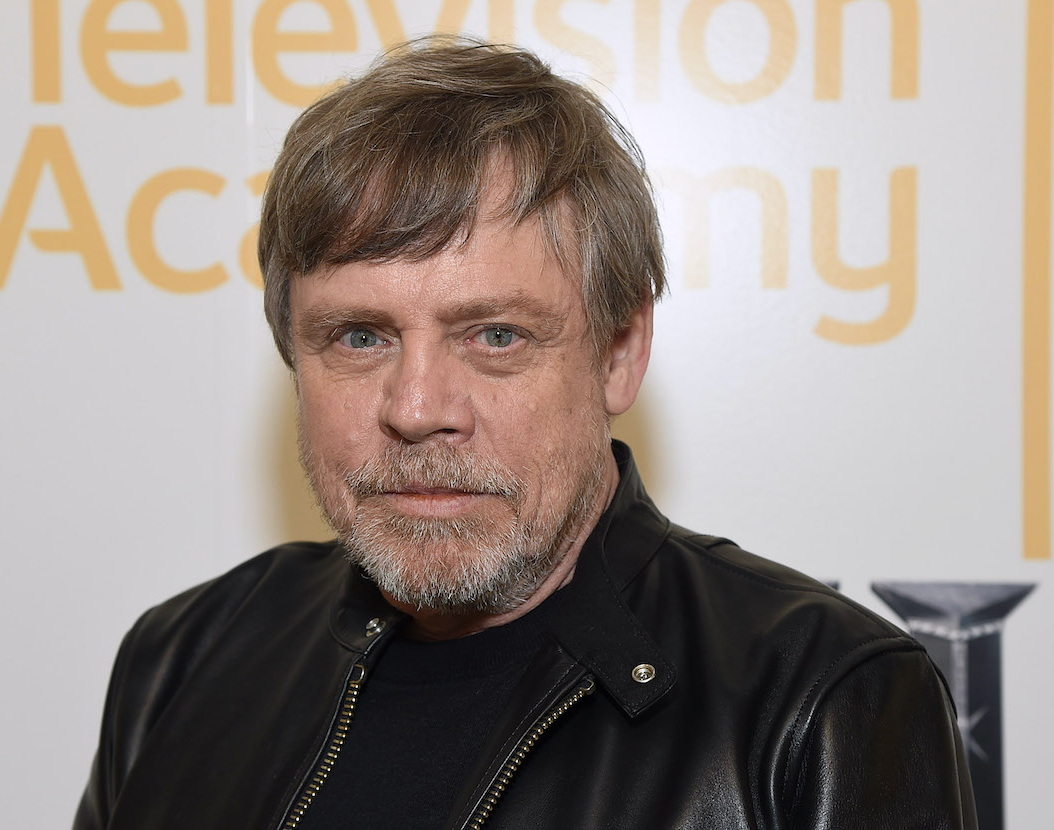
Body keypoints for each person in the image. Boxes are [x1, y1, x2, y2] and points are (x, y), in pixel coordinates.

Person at [74, 38, 977, 829]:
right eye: (359, 337)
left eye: (496, 336)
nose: (417, 406)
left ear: (619, 354)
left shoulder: (822, 702)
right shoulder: (183, 659)